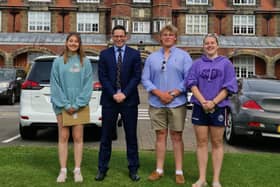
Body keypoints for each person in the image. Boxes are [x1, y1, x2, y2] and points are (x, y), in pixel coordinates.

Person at [141, 24, 192, 184]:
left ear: (175, 37)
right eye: (165, 34)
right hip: (157, 102)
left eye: (171, 34)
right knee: (160, 135)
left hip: (176, 102)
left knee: (177, 136)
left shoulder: (184, 56)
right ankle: (159, 169)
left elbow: (188, 79)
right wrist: (159, 93)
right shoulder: (152, 57)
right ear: (160, 38)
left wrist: (173, 93)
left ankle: (179, 171)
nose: (168, 37)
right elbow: (145, 79)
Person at [186, 33, 238, 187]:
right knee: (201, 142)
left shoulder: (226, 63)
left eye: (212, 43)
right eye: (207, 43)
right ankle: (202, 178)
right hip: (199, 107)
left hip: (219, 107)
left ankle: (216, 180)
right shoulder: (197, 64)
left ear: (217, 45)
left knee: (217, 143)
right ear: (203, 46)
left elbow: (229, 87)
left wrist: (213, 102)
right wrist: (203, 101)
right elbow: (191, 83)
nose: (209, 45)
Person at [95, 25, 142, 182]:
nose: (119, 39)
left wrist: (124, 93)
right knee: (106, 136)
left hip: (129, 101)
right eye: (116, 36)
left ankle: (133, 169)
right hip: (110, 100)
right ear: (112, 37)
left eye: (122, 36)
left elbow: (136, 77)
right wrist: (114, 93)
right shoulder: (104, 54)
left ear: (126, 36)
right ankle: (102, 169)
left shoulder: (135, 54)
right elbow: (103, 76)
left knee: (131, 136)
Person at [50, 33, 93, 183]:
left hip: (79, 106)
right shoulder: (58, 62)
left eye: (76, 41)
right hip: (62, 105)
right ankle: (63, 171)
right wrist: (66, 105)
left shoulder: (85, 62)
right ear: (66, 42)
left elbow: (88, 85)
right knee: (63, 137)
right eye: (71, 41)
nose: (73, 43)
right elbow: (55, 85)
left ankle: (77, 170)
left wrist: (77, 104)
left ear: (80, 44)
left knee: (78, 138)